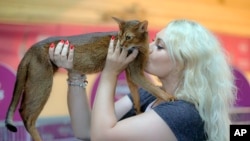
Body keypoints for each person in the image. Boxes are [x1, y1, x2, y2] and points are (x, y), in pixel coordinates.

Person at [49, 19, 236, 141]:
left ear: (184, 63)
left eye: (160, 46)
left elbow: (102, 136)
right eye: (154, 40)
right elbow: (86, 130)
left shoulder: (183, 113)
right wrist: (75, 72)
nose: (149, 47)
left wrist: (109, 73)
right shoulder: (150, 94)